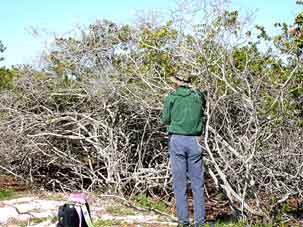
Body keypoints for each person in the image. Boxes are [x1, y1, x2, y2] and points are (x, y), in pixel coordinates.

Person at [161, 74, 206, 227]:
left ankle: (183, 222)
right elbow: (203, 112)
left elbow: (165, 119)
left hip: (177, 141)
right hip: (195, 141)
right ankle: (200, 222)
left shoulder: (171, 97)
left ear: (176, 83)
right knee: (197, 183)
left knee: (179, 184)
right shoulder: (199, 96)